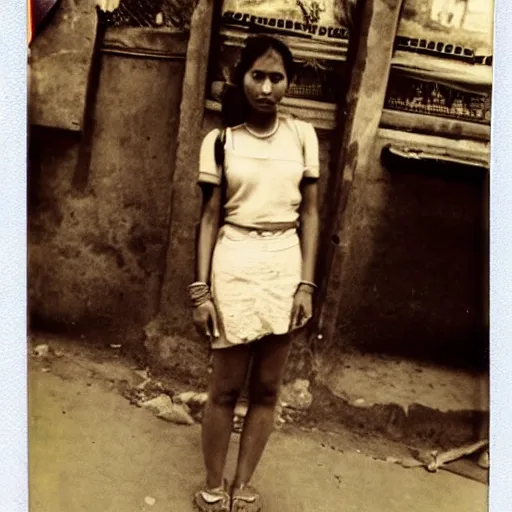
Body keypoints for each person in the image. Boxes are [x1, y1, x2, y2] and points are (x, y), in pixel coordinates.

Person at [189, 34, 320, 512]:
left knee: (267, 388)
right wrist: (200, 291)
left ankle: (242, 484)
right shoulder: (220, 141)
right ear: (241, 77)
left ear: (289, 83)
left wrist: (305, 283)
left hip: (284, 260)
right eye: (258, 76)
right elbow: (208, 217)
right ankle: (212, 484)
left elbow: (310, 214)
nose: (266, 87)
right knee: (224, 387)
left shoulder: (303, 136)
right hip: (234, 259)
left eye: (277, 78)